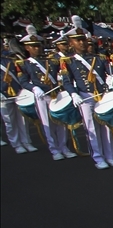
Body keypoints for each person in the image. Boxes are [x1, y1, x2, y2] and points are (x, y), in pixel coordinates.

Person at [63, 27, 113, 169]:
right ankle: (98, 157)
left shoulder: (98, 58)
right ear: (71, 43)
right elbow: (66, 81)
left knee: (106, 126)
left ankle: (111, 156)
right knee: (91, 128)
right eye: (78, 41)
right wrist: (73, 93)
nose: (82, 43)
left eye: (83, 40)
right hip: (85, 96)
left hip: (102, 95)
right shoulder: (69, 61)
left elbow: (111, 71)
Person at [17, 27, 71, 159]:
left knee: (60, 121)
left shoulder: (52, 60)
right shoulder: (24, 64)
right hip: (42, 95)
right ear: (27, 48)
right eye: (33, 46)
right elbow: (23, 81)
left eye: (38, 46)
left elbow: (63, 72)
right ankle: (54, 149)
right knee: (47, 123)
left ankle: (64, 147)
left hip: (55, 93)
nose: (37, 48)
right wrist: (33, 88)